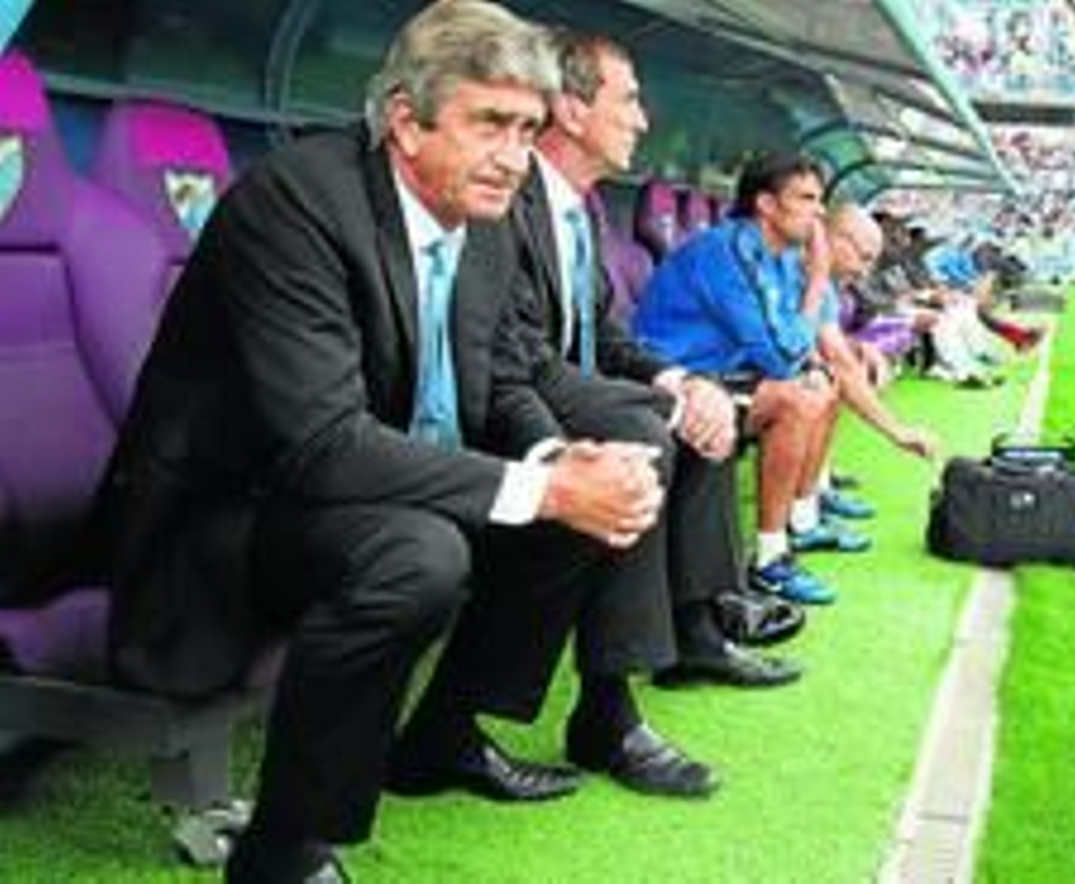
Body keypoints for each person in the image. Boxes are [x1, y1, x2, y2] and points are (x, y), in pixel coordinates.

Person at [95, 5, 711, 882]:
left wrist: (558, 462)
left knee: (582, 485)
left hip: (360, 494)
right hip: (226, 525)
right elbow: (321, 445)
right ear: (405, 120)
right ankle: (284, 852)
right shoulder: (299, 202)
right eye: (488, 123)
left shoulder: (484, 215)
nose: (512, 154)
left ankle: (442, 735)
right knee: (417, 554)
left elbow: (499, 380)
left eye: (527, 129)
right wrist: (542, 488)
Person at [509, 30, 797, 687]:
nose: (643, 120)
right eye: (629, 100)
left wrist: (683, 381)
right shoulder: (508, 196)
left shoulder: (579, 211)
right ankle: (608, 704)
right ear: (572, 111)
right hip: (516, 406)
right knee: (648, 428)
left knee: (702, 409)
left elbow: (607, 333)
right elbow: (518, 357)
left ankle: (699, 630)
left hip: (566, 389)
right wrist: (662, 398)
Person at [632, 153, 846, 606]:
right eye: (806, 199)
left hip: (722, 375)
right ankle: (769, 560)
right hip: (667, 380)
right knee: (797, 400)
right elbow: (781, 355)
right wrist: (819, 280)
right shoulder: (727, 251)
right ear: (767, 205)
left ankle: (803, 519)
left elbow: (792, 342)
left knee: (823, 384)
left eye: (820, 200)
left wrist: (811, 365)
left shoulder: (779, 255)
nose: (819, 212)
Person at [817, 204, 941, 461]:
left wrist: (855, 347)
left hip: (869, 323)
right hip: (737, 381)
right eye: (863, 257)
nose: (864, 269)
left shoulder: (826, 283)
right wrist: (896, 431)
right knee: (819, 384)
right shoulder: (799, 273)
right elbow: (833, 352)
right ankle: (808, 492)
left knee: (827, 377)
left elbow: (828, 343)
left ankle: (817, 484)